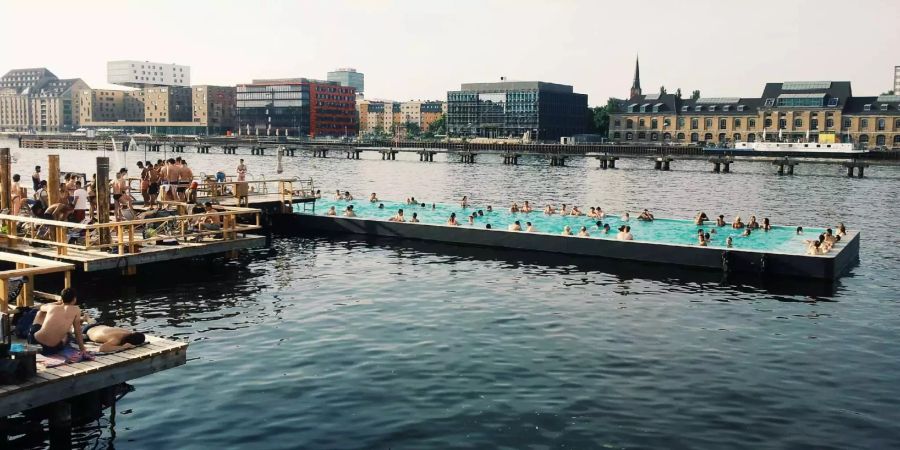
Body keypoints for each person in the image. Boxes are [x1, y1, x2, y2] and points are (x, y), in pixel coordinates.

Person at [29, 287, 86, 356]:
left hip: (34, 342)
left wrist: (57, 303)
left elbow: (42, 307)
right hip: (51, 349)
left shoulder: (52, 307)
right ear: (74, 299)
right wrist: (82, 348)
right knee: (67, 333)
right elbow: (77, 332)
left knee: (40, 313)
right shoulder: (76, 310)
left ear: (61, 299)